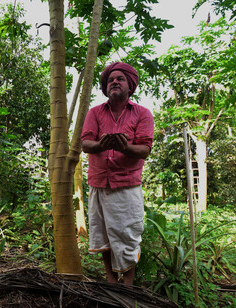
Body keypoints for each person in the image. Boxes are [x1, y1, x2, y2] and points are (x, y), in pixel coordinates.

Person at [81, 62, 154, 285]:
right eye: (111, 79)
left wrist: (124, 147)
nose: (114, 81)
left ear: (130, 86)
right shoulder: (95, 113)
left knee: (128, 235)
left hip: (127, 185)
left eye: (120, 79)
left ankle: (128, 285)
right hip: (99, 184)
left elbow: (145, 149)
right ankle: (111, 281)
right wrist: (101, 145)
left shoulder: (142, 114)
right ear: (105, 86)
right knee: (102, 233)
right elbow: (85, 143)